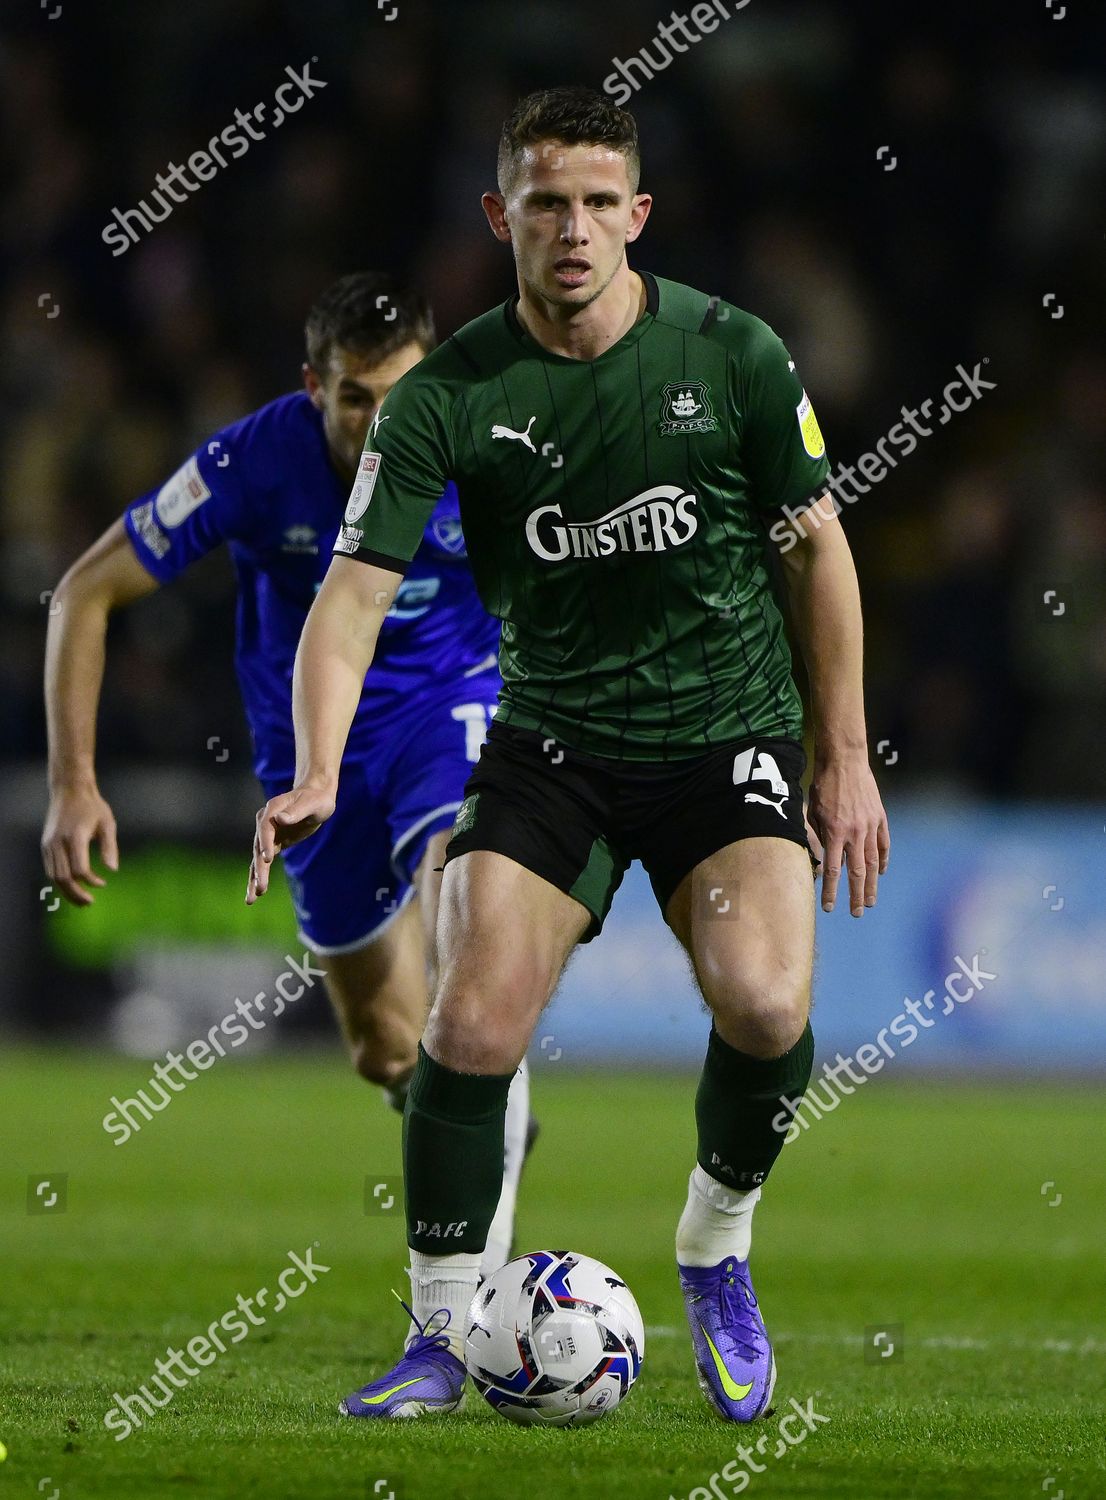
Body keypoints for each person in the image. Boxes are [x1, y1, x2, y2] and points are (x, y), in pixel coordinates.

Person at [249, 88, 889, 1423]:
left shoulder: (735, 357)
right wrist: (313, 770)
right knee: (468, 1021)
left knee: (766, 1009)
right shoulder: (448, 398)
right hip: (552, 745)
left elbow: (815, 546)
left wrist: (843, 756)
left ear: (637, 215)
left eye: (600, 201)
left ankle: (714, 1248)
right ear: (501, 217)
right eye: (546, 202)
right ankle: (438, 1332)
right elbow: (351, 595)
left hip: (723, 742)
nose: (574, 228)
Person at [41, 271, 533, 1274]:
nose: (377, 421)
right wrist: (75, 783)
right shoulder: (252, 461)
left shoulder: (491, 447)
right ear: (314, 386)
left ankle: (478, 1253)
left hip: (448, 710)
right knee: (387, 1049)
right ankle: (473, 1113)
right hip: (311, 756)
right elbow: (83, 596)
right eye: (354, 398)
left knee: (463, 902)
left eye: (400, 395)